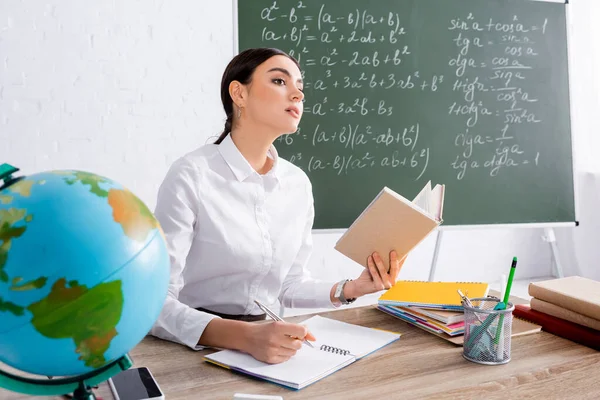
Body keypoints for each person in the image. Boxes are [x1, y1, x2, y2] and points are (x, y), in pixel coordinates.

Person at [150, 47, 405, 364]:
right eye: (280, 81)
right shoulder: (191, 176)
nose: (297, 94)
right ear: (238, 93)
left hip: (269, 344)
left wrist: (351, 288)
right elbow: (155, 303)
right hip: (190, 342)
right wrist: (245, 337)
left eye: (300, 86)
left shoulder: (297, 184)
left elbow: (288, 285)